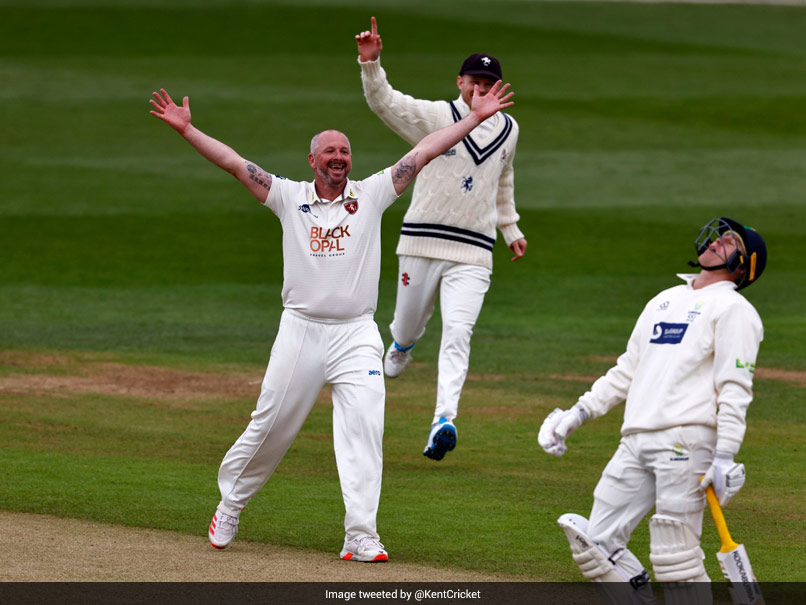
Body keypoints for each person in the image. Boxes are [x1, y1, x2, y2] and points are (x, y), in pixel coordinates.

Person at [149, 81, 513, 562]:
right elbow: (235, 162)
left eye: (344, 150)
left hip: (357, 334)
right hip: (300, 330)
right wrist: (188, 130)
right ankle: (231, 504)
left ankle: (360, 534)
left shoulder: (372, 194)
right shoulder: (287, 196)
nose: (338, 157)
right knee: (271, 426)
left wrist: (472, 119)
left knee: (365, 426)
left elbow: (423, 151)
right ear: (313, 161)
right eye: (329, 151)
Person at [537, 218, 767, 603]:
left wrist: (725, 454)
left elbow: (735, 387)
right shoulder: (664, 300)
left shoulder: (734, 309)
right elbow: (627, 370)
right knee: (596, 543)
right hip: (635, 438)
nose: (715, 241)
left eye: (728, 241)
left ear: (743, 265)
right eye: (718, 235)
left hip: (687, 442)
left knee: (675, 557)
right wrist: (577, 413)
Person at [355, 17, 528, 462]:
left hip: (474, 251)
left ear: (499, 86)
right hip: (420, 242)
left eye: (490, 82)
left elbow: (502, 180)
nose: (482, 88)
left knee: (459, 332)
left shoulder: (509, 130)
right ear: (461, 82)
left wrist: (510, 229)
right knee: (408, 325)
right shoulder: (437, 117)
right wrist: (371, 64)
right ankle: (403, 344)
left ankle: (443, 421)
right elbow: (386, 104)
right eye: (475, 81)